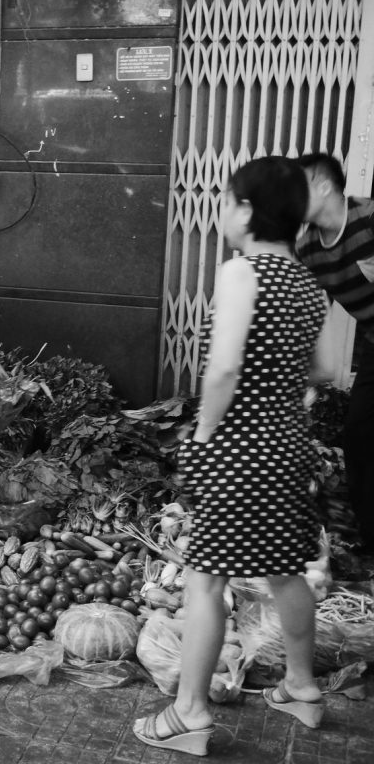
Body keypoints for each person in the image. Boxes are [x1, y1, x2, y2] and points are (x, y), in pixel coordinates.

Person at [133, 156, 336, 756]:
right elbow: (322, 369)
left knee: (204, 581)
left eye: (226, 200)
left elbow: (222, 368)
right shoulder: (306, 281)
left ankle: (190, 712)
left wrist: (203, 434)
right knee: (284, 568)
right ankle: (302, 686)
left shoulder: (242, 273)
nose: (222, 210)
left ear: (247, 210)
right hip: (286, 443)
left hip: (238, 446)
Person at [296, 153, 374, 558]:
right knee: (359, 438)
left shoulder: (369, 217)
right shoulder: (308, 245)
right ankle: (369, 543)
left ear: (323, 185)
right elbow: (313, 311)